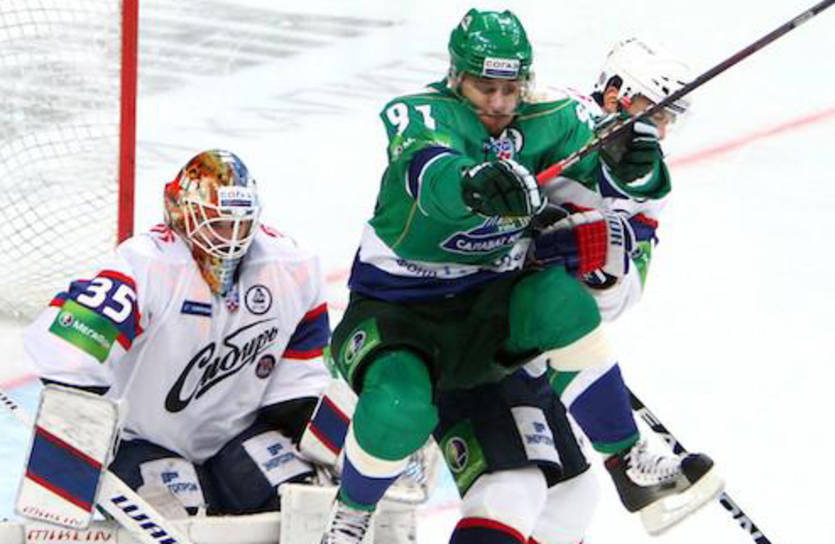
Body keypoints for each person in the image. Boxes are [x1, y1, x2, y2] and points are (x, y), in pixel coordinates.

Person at [321, 9, 719, 544]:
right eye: (485, 88)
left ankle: (627, 461)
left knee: (560, 313)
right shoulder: (424, 112)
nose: (499, 103)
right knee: (402, 409)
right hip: (403, 307)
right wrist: (468, 183)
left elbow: (612, 185)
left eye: (511, 89)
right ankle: (349, 517)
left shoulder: (553, 117)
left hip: (492, 315)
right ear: (456, 76)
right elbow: (426, 168)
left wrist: (632, 170)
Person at [447, 37, 703, 544]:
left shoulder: (649, 184)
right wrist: (522, 227)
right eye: (653, 111)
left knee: (572, 498)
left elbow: (622, 294)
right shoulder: (553, 117)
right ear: (613, 96)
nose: (661, 129)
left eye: (670, 118)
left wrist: (597, 273)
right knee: (510, 488)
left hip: (529, 340)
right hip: (459, 315)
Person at [22, 150, 333, 516]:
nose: (231, 238)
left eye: (240, 224)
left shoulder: (293, 267)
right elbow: (67, 354)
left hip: (234, 438)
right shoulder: (146, 265)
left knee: (302, 503)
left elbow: (297, 388)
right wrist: (75, 451)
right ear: (181, 214)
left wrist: (335, 449)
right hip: (143, 440)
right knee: (180, 515)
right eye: (218, 223)